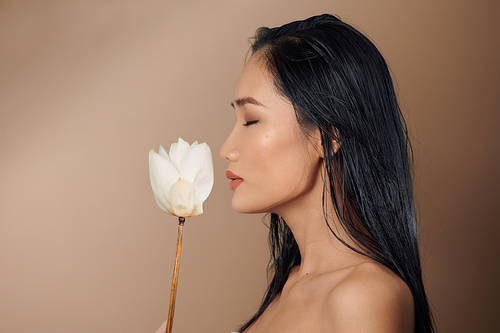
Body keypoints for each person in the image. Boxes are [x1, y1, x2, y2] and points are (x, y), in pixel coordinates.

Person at [156, 13, 434, 333]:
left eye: (251, 120)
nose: (227, 149)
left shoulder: (363, 296)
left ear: (327, 136)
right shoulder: (285, 284)